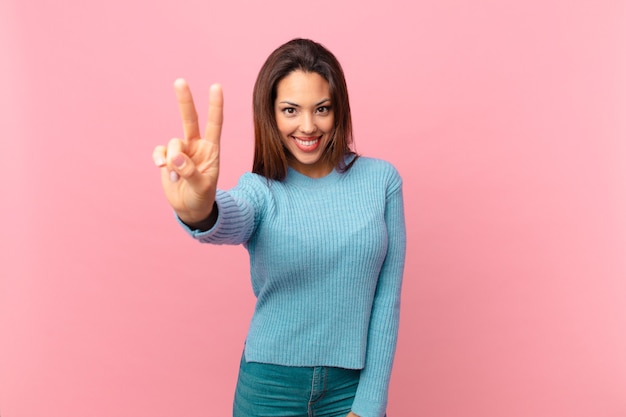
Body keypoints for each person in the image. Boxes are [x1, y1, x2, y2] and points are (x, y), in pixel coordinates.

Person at [152, 38, 406, 417]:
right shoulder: (260, 190)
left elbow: (387, 299)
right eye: (291, 110)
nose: (308, 126)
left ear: (339, 111)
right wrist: (200, 210)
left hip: (351, 390)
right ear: (270, 114)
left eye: (322, 109)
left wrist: (370, 405)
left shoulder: (381, 181)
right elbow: (230, 217)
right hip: (268, 387)